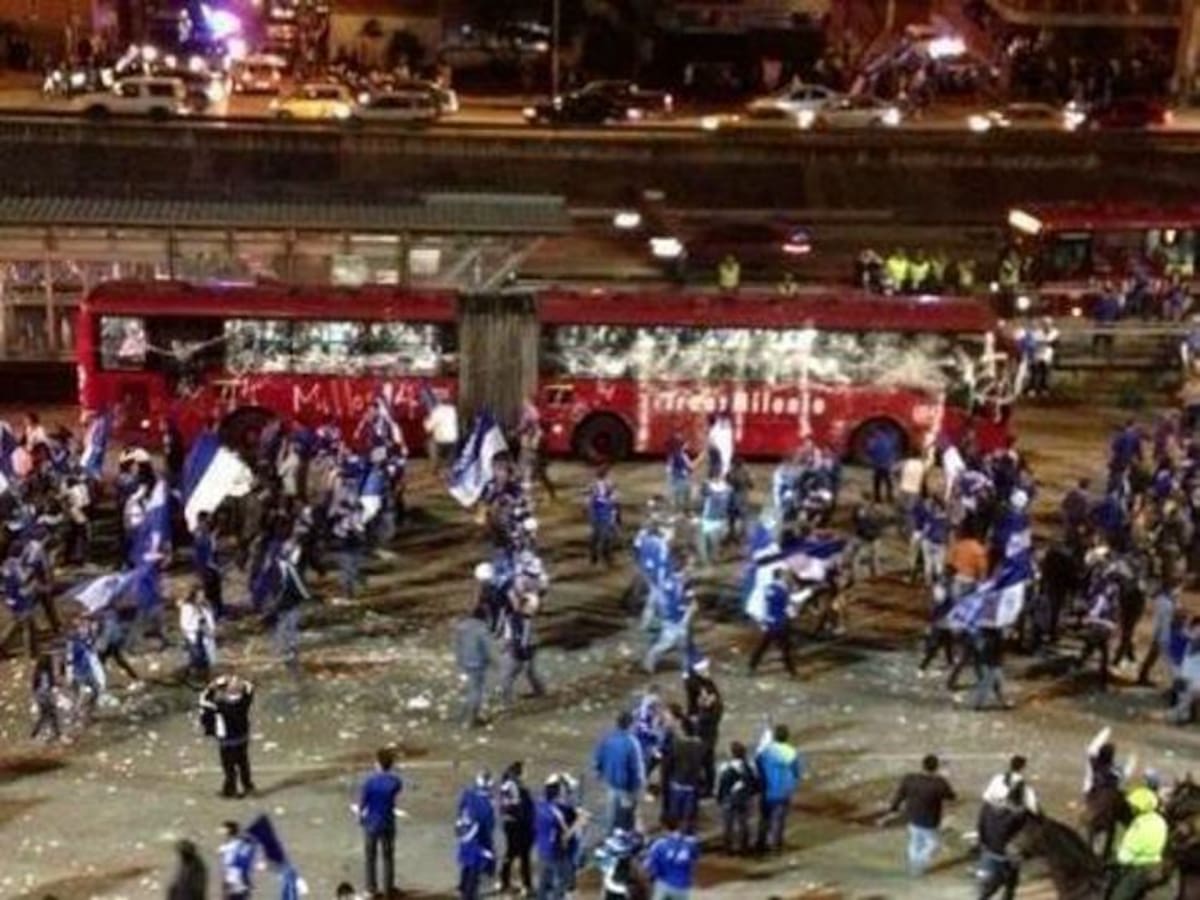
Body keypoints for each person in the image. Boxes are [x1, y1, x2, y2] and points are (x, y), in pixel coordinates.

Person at [887, 753, 956, 876]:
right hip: (930, 821)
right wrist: (945, 779)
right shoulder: (939, 783)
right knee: (933, 845)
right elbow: (951, 796)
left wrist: (893, 809)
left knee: (915, 842)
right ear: (936, 767)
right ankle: (918, 865)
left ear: (922, 765)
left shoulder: (910, 779)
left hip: (912, 818)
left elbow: (900, 795)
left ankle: (913, 863)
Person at [199, 674, 256, 798]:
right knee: (243, 762)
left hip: (227, 740)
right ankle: (247, 785)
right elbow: (249, 687)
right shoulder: (244, 701)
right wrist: (240, 682)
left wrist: (212, 687)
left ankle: (231, 790)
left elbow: (203, 700)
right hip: (242, 737)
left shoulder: (218, 706)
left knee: (229, 767)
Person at [1109, 785, 1168, 900]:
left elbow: (1125, 856)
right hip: (1156, 865)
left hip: (1139, 869)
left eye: (1133, 806)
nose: (1131, 808)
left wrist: (1115, 858)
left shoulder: (1140, 824)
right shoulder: (1160, 820)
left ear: (1139, 807)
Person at [359, 747, 403, 899]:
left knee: (370, 856)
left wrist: (360, 817)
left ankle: (371, 888)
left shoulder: (370, 782)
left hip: (372, 822)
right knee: (388, 856)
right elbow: (397, 789)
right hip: (388, 821)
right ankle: (388, 888)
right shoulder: (395, 782)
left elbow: (363, 803)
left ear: (377, 763)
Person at [592, 710, 645, 834]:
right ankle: (623, 837)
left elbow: (598, 758)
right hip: (628, 788)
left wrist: (599, 773)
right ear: (631, 724)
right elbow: (637, 767)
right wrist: (639, 785)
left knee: (611, 814)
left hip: (611, 783)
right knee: (626, 817)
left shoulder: (607, 739)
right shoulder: (632, 743)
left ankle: (609, 835)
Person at [755, 723, 805, 853]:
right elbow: (796, 771)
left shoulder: (767, 751)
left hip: (767, 788)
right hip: (783, 790)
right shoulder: (791, 752)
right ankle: (775, 845)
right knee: (778, 819)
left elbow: (758, 763)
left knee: (764, 818)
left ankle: (760, 843)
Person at [976, 780, 1029, 900]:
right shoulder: (1016, 815)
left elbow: (980, 826)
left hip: (990, 852)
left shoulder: (986, 808)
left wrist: (982, 843)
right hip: (1006, 856)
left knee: (989, 887)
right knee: (1006, 885)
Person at [500, 591, 546, 705]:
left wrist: (514, 648)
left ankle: (507, 701)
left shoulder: (522, 619)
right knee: (529, 671)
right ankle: (539, 691)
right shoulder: (521, 618)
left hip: (522, 648)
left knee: (508, 676)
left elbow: (519, 637)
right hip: (526, 646)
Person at [748, 568, 796, 677]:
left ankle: (751, 666)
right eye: (784, 575)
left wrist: (763, 620)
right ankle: (792, 672)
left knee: (763, 646)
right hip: (780, 623)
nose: (787, 577)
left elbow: (764, 605)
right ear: (781, 577)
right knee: (785, 649)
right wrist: (793, 614)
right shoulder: (783, 591)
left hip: (770, 622)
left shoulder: (768, 588)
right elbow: (789, 609)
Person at [498, 762, 535, 897]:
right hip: (520, 826)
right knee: (524, 856)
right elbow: (524, 810)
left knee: (510, 853)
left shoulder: (505, 786)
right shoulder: (519, 789)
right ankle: (526, 885)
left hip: (509, 824)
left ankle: (504, 881)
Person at [715, 741, 759, 854]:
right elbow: (755, 783)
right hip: (744, 798)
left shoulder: (725, 767)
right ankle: (744, 847)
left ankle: (727, 848)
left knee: (728, 824)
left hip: (729, 799)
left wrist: (719, 798)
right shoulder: (749, 766)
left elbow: (720, 784)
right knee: (743, 822)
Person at [454, 604, 493, 727]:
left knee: (468, 690)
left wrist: (459, 661)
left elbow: (457, 646)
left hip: (464, 662)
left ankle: (462, 717)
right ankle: (471, 719)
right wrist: (491, 661)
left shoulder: (461, 627)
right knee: (476, 691)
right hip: (478, 663)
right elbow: (487, 648)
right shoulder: (482, 629)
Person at [643, 817, 700, 900]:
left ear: (664, 828)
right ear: (679, 827)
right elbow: (694, 863)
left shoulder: (659, 844)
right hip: (683, 887)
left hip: (664, 885)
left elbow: (647, 866)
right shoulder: (691, 843)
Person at [179, 588, 216, 686]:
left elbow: (210, 620)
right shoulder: (187, 608)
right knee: (196, 657)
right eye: (199, 596)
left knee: (207, 658)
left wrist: (210, 630)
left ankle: (206, 678)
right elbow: (184, 625)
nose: (201, 598)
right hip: (194, 636)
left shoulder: (205, 607)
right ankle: (195, 678)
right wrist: (198, 627)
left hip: (206, 635)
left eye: (203, 595)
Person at [192, 511, 224, 619]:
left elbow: (212, 549)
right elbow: (205, 553)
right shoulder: (200, 534)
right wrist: (213, 566)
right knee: (210, 590)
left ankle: (217, 611)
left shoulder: (206, 533)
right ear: (202, 521)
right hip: (207, 567)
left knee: (215, 589)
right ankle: (212, 613)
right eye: (207, 520)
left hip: (209, 566)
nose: (209, 522)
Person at [587, 468, 620, 567]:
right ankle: (595, 555)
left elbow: (614, 500)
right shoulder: (594, 486)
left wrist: (615, 512)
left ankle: (604, 556)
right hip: (598, 512)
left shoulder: (609, 485)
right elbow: (590, 501)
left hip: (605, 511)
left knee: (606, 535)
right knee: (597, 534)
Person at [218, 821, 256, 900]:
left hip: (236, 885)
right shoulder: (233, 846)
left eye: (224, 832)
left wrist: (229, 884)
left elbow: (237, 866)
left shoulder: (234, 847)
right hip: (235, 884)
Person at [29, 651, 60, 742]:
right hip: (43, 697)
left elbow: (38, 687)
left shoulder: (40, 673)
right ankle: (55, 733)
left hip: (42, 696)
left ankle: (35, 733)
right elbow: (44, 687)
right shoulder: (44, 674)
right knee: (50, 714)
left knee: (46, 715)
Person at [425, 394, 460, 474]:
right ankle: (449, 466)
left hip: (441, 440)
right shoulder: (453, 410)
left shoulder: (437, 411)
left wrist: (425, 422)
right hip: (453, 439)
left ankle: (434, 466)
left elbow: (428, 428)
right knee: (451, 449)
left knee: (430, 443)